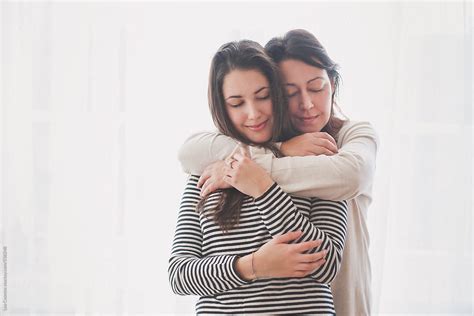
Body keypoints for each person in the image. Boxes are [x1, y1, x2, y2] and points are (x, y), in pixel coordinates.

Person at [178, 29, 378, 315]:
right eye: (289, 92)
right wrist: (253, 265)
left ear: (333, 83)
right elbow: (187, 152)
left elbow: (351, 176)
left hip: (346, 303)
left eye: (316, 86)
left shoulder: (335, 148)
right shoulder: (217, 162)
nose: (306, 104)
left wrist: (257, 180)